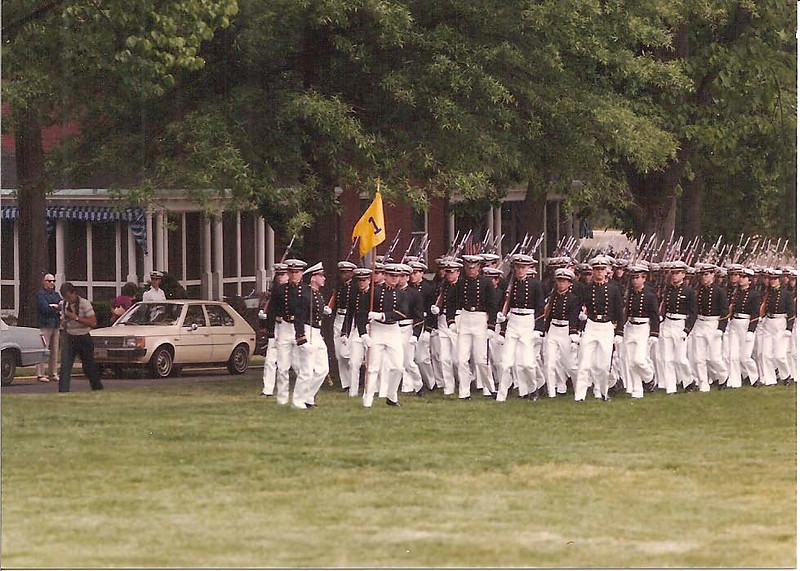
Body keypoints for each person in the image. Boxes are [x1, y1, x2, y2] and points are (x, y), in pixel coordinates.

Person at [495, 254, 544, 402]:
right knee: (506, 362)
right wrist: (502, 317)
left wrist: (538, 328)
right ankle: (501, 394)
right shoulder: (510, 284)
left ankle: (533, 389)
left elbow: (540, 308)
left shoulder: (535, 285)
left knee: (528, 363)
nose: (520, 270)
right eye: (518, 267)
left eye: (523, 267)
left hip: (527, 321)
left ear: (528, 268)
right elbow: (505, 303)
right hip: (513, 321)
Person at [574, 255, 623, 402]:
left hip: (606, 326)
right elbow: (579, 306)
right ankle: (580, 395)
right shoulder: (587, 289)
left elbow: (619, 311)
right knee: (584, 361)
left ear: (606, 270)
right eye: (596, 269)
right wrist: (578, 326)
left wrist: (619, 332)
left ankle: (602, 392)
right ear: (593, 271)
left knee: (603, 364)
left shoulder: (613, 289)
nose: (599, 272)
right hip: (591, 325)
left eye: (602, 269)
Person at [293, 262, 332, 408]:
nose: (324, 278)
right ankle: (298, 401)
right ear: (313, 278)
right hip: (307, 331)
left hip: (317, 333)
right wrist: (301, 338)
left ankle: (308, 397)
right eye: (321, 275)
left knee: (323, 369)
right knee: (306, 371)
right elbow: (298, 318)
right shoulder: (305, 295)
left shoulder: (318, 295)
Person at [659, 261, 698, 394]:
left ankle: (689, 381)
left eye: (677, 273)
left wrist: (687, 329)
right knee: (667, 358)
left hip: (680, 323)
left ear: (683, 275)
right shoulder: (668, 290)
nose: (674, 275)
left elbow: (693, 313)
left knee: (680, 358)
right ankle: (671, 387)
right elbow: (665, 306)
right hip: (668, 323)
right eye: (673, 273)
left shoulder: (689, 291)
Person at [689, 263, 728, 392]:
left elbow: (725, 311)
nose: (703, 277)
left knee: (714, 357)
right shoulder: (698, 291)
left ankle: (723, 376)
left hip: (713, 323)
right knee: (699, 357)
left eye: (706, 274)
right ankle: (703, 382)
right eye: (702, 275)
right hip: (700, 323)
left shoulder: (719, 291)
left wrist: (721, 328)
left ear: (712, 275)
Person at [58, 282, 104, 392]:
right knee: (65, 367)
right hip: (70, 337)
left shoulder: (84, 304)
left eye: (69, 297)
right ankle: (63, 392)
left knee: (89, 367)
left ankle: (97, 389)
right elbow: (63, 322)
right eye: (65, 298)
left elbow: (93, 323)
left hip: (83, 337)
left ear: (74, 293)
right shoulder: (64, 304)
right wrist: (64, 322)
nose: (68, 300)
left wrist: (76, 318)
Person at [542, 267, 581, 398]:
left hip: (565, 330)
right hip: (553, 329)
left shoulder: (573, 299)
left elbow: (574, 317)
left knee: (570, 364)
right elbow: (548, 316)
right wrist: (545, 330)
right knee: (549, 362)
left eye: (564, 281)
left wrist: (573, 334)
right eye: (559, 281)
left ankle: (579, 387)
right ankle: (551, 392)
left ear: (569, 283)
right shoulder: (552, 297)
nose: (561, 284)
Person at [622, 264, 659, 398]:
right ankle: (637, 390)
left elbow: (654, 315)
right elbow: (626, 312)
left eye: (637, 277)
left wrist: (654, 333)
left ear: (644, 278)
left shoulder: (650, 295)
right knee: (631, 362)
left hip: (643, 327)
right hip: (631, 327)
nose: (635, 280)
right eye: (633, 278)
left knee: (639, 360)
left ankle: (649, 377)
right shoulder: (630, 295)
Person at [758, 268, 795, 386]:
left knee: (779, 355)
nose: (773, 281)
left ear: (780, 280)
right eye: (771, 279)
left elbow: (791, 313)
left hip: (780, 322)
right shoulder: (768, 293)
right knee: (766, 353)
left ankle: (786, 375)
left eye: (775, 279)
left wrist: (789, 328)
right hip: (769, 322)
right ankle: (770, 379)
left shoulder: (786, 294)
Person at [725, 267, 760, 389]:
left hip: (746, 323)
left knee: (745, 356)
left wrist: (751, 330)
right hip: (735, 323)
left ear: (749, 280)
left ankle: (755, 377)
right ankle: (734, 381)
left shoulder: (754, 294)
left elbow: (755, 313)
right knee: (733, 355)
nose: (741, 279)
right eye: (741, 276)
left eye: (744, 277)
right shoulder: (736, 293)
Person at [258, 263, 288, 397]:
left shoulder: (293, 292)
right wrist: (269, 328)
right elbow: (271, 312)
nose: (280, 277)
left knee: (292, 362)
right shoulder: (274, 293)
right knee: (270, 360)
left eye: (283, 274)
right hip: (276, 327)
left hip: (289, 328)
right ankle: (267, 389)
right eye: (278, 275)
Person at [331, 261, 356, 392]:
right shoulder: (339, 287)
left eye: (346, 272)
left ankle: (353, 380)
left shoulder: (355, 287)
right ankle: (345, 384)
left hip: (349, 319)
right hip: (338, 318)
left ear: (352, 273)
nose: (343, 275)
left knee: (346, 353)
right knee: (339, 355)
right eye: (341, 272)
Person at [35, 273, 62, 382]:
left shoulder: (56, 294)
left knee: (54, 350)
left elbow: (62, 305)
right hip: (45, 325)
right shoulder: (41, 294)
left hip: (56, 324)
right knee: (43, 349)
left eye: (53, 281)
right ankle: (40, 374)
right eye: (49, 281)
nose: (52, 283)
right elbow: (44, 308)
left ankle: (53, 373)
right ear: (44, 282)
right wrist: (55, 307)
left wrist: (55, 306)